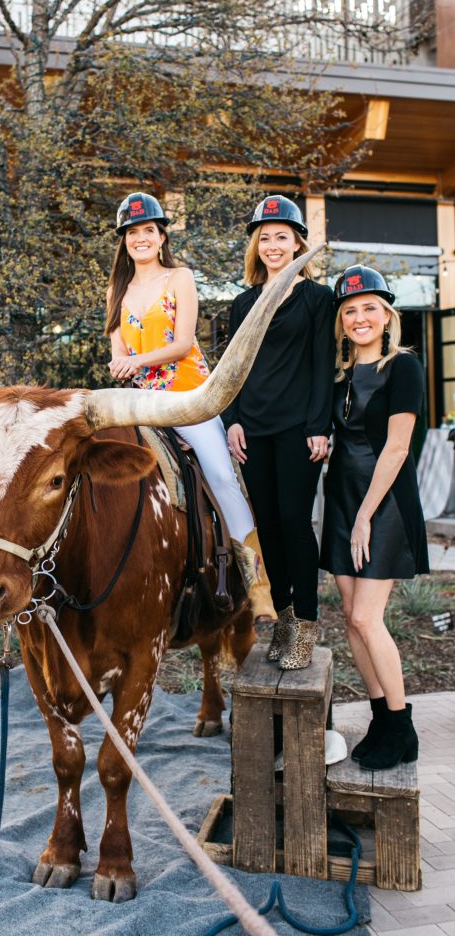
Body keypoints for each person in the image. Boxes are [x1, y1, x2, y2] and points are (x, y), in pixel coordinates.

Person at [105, 191, 276, 620]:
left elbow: (182, 343)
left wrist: (133, 362)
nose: (140, 238)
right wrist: (119, 367)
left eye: (148, 230)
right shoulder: (117, 289)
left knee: (220, 475)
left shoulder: (179, 277)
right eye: (132, 232)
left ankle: (258, 587)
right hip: (141, 402)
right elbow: (116, 350)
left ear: (162, 236)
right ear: (123, 240)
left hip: (187, 396)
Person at [320, 264, 427, 770]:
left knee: (368, 616)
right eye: (350, 311)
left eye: (369, 309)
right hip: (342, 497)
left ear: (386, 315)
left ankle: (403, 728)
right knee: (350, 617)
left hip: (381, 504)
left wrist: (365, 516)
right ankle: (380, 716)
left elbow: (398, 447)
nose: (360, 318)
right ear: (341, 321)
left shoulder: (403, 366)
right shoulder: (339, 373)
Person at [222, 195, 334, 669]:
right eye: (264, 238)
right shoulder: (242, 303)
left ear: (297, 244)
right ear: (256, 246)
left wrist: (318, 427)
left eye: (281, 237)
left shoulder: (318, 299)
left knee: (294, 523)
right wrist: (232, 422)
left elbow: (322, 366)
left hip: (298, 430)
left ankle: (305, 625)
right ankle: (284, 620)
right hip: (253, 429)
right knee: (266, 529)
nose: (272, 245)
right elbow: (232, 369)